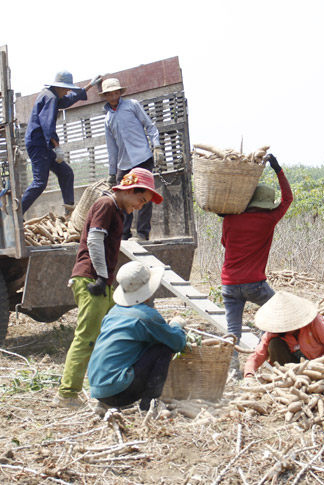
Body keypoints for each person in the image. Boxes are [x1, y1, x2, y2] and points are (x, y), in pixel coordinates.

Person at [53, 167, 163, 408]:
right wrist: (102, 277)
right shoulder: (105, 204)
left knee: (111, 332)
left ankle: (108, 389)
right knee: (87, 337)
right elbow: (94, 240)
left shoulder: (117, 211)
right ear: (129, 190)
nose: (140, 206)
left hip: (101, 281)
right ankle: (67, 394)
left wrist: (105, 279)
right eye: (140, 199)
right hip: (91, 279)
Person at [221, 154, 292, 376]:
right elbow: (288, 199)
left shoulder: (230, 219)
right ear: (266, 204)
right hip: (255, 284)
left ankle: (232, 371)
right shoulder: (269, 219)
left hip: (229, 285)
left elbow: (225, 242)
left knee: (232, 330)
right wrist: (278, 170)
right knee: (273, 320)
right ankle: (266, 361)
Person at [87, 261, 187, 412]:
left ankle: (106, 403)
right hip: (119, 392)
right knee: (163, 348)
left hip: (97, 389)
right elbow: (178, 343)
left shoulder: (113, 312)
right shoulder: (146, 316)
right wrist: (176, 325)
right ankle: (149, 405)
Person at [22, 71, 101, 215]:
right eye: (66, 88)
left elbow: (69, 100)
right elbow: (47, 125)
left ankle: (69, 212)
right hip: (38, 144)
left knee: (66, 173)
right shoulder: (50, 97)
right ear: (60, 86)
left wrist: (90, 85)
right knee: (40, 182)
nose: (67, 91)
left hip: (43, 144)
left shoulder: (52, 94)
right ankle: (17, 213)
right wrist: (57, 147)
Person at [243, 291, 324, 380]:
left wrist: (323, 367)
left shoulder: (314, 322)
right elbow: (256, 357)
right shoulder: (273, 332)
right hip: (294, 374)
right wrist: (248, 376)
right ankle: (288, 382)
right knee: (274, 345)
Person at [100, 78, 165, 241]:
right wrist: (111, 172)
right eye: (110, 94)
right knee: (122, 199)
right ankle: (123, 234)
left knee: (144, 196)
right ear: (105, 96)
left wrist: (156, 146)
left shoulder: (132, 105)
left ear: (120, 93)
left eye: (116, 92)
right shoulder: (107, 119)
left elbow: (150, 126)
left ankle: (142, 233)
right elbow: (112, 149)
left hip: (142, 157)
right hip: (123, 163)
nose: (114, 96)